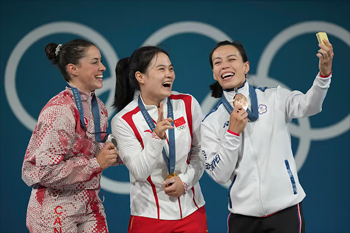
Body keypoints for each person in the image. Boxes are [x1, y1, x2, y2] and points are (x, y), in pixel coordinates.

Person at [201, 39, 333, 233]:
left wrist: (324, 75)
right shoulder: (210, 123)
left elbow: (310, 105)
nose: (225, 65)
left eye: (231, 59)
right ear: (214, 73)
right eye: (218, 62)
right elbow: (220, 175)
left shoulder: (275, 97)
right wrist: (232, 133)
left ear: (246, 66)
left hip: (285, 211)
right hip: (242, 217)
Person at [22, 39, 120, 233]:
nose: (103, 67)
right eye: (95, 62)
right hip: (54, 210)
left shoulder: (98, 107)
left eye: (100, 61)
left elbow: (94, 151)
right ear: (73, 69)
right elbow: (45, 171)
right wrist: (95, 164)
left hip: (90, 203)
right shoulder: (59, 111)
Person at [111, 46, 207, 233]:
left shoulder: (187, 103)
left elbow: (201, 151)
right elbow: (139, 171)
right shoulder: (124, 120)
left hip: (192, 212)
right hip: (149, 218)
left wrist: (185, 181)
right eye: (161, 69)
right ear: (141, 77)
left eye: (170, 68)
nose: (169, 74)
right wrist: (156, 138)